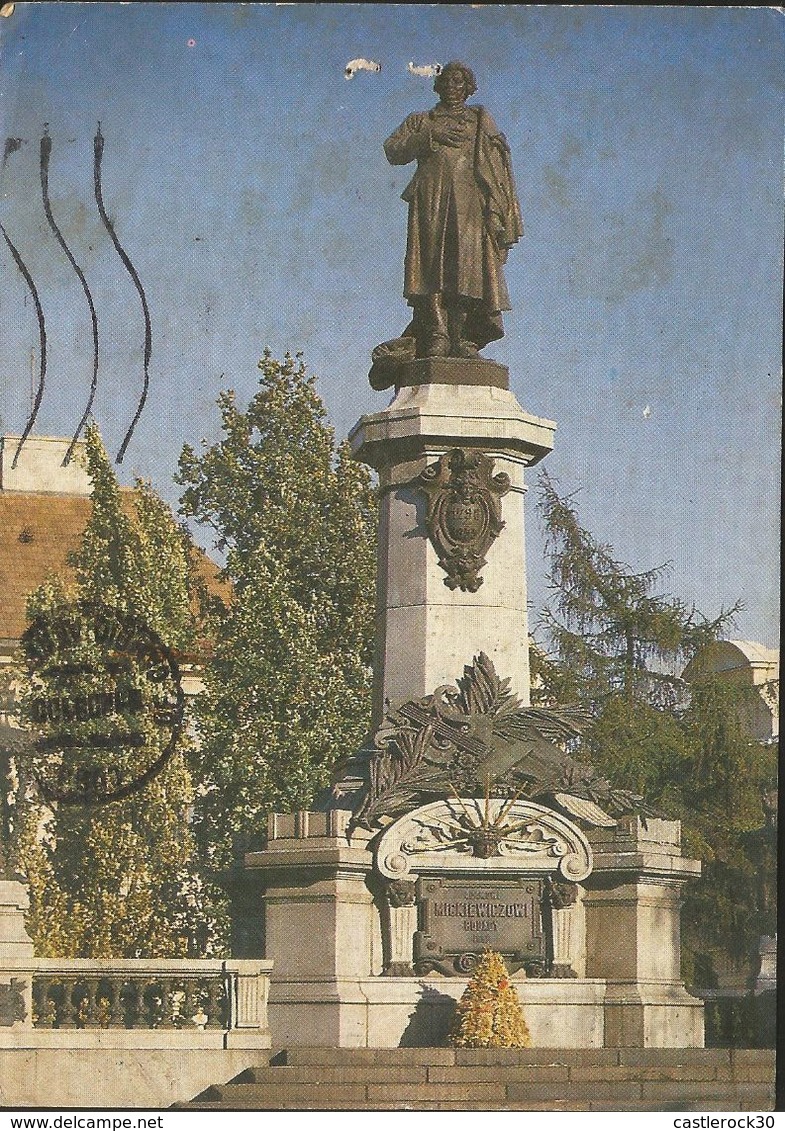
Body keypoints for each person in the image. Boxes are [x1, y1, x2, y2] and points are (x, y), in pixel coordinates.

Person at [383, 61, 523, 360]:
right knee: (430, 267)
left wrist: (497, 213)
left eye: (459, 82)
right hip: (430, 200)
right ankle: (437, 334)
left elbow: (497, 166)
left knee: (467, 268)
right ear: (438, 85)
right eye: (446, 80)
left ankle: (462, 338)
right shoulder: (422, 120)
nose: (452, 86)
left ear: (469, 87)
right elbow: (393, 150)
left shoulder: (479, 120)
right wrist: (430, 137)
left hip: (470, 204)